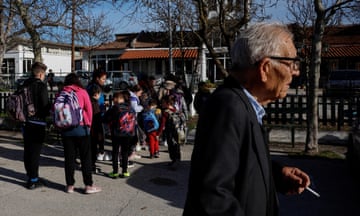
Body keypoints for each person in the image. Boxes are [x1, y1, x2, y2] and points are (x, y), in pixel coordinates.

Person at [183, 22, 310, 215]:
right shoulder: (229, 107)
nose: (296, 72)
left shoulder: (245, 106)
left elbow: (239, 165)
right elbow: (212, 196)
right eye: (292, 63)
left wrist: (276, 174)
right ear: (265, 68)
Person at [60, 73, 101, 194]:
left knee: (69, 159)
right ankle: (88, 185)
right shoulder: (82, 92)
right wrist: (88, 124)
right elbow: (89, 110)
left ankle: (69, 185)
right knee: (85, 158)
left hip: (66, 130)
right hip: (82, 129)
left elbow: (55, 110)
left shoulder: (62, 92)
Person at [22, 62, 50, 189]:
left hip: (25, 121)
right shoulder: (41, 86)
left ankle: (30, 175)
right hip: (38, 122)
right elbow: (45, 106)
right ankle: (33, 179)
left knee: (28, 150)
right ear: (40, 74)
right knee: (35, 152)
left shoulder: (24, 84)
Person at [103, 91, 135, 178]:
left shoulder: (115, 108)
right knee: (125, 152)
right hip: (128, 133)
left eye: (115, 98)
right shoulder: (130, 107)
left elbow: (105, 119)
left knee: (115, 152)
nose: (113, 100)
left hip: (116, 134)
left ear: (118, 99)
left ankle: (115, 172)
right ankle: (125, 171)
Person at [87, 70, 111, 161]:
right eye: (103, 79)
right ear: (97, 78)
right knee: (97, 134)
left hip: (97, 112)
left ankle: (99, 152)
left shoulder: (92, 86)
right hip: (95, 114)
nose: (104, 81)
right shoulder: (94, 87)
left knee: (98, 134)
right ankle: (98, 153)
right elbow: (94, 100)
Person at [157, 95, 185, 170]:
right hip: (179, 131)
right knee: (177, 146)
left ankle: (174, 162)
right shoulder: (175, 109)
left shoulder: (165, 112)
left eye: (163, 102)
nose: (161, 104)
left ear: (167, 103)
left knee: (172, 147)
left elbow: (162, 124)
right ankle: (176, 160)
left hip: (170, 132)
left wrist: (158, 134)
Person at [89, 84, 102, 173]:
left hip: (88, 129)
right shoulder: (95, 104)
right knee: (93, 149)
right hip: (94, 129)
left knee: (90, 148)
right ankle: (91, 166)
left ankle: (90, 164)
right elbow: (97, 119)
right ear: (96, 94)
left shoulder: (89, 102)